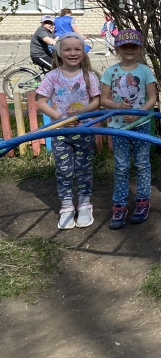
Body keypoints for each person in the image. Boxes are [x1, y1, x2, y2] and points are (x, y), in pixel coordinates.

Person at [35, 33, 101, 230]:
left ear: (83, 52)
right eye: (67, 49)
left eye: (77, 49)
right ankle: (66, 206)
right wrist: (59, 117)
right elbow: (41, 102)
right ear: (59, 52)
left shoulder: (89, 76)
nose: (73, 53)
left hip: (84, 131)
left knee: (84, 169)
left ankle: (84, 204)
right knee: (64, 170)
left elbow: (96, 102)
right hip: (60, 133)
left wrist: (81, 111)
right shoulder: (52, 77)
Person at [99, 29, 157, 229]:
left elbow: (152, 98)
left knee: (142, 164)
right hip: (118, 127)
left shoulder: (145, 71)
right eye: (125, 47)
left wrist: (139, 113)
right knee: (121, 166)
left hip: (141, 125)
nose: (129, 50)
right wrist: (117, 106)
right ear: (117, 49)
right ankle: (120, 204)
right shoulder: (110, 72)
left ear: (140, 48)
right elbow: (103, 99)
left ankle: (143, 201)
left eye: (134, 46)